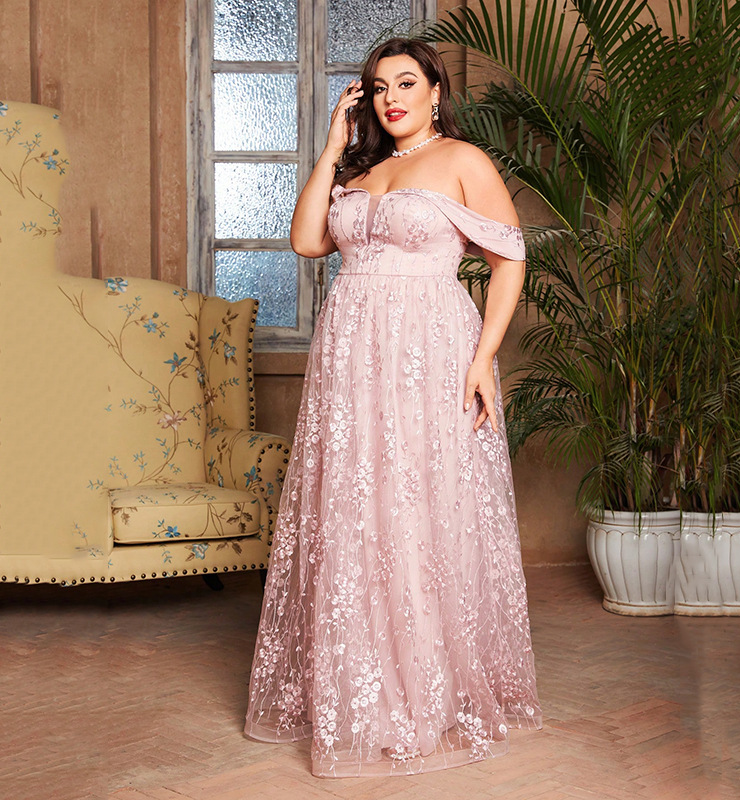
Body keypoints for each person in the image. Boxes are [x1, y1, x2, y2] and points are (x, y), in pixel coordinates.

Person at [244, 36, 543, 778]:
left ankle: (426, 694)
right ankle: (361, 689)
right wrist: (331, 147)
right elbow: (307, 240)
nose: (391, 99)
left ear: (436, 92)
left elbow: (510, 260)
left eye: (407, 83)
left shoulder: (463, 160)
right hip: (351, 359)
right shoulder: (360, 169)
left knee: (419, 505)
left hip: (429, 351)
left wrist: (483, 359)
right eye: (379, 87)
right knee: (357, 509)